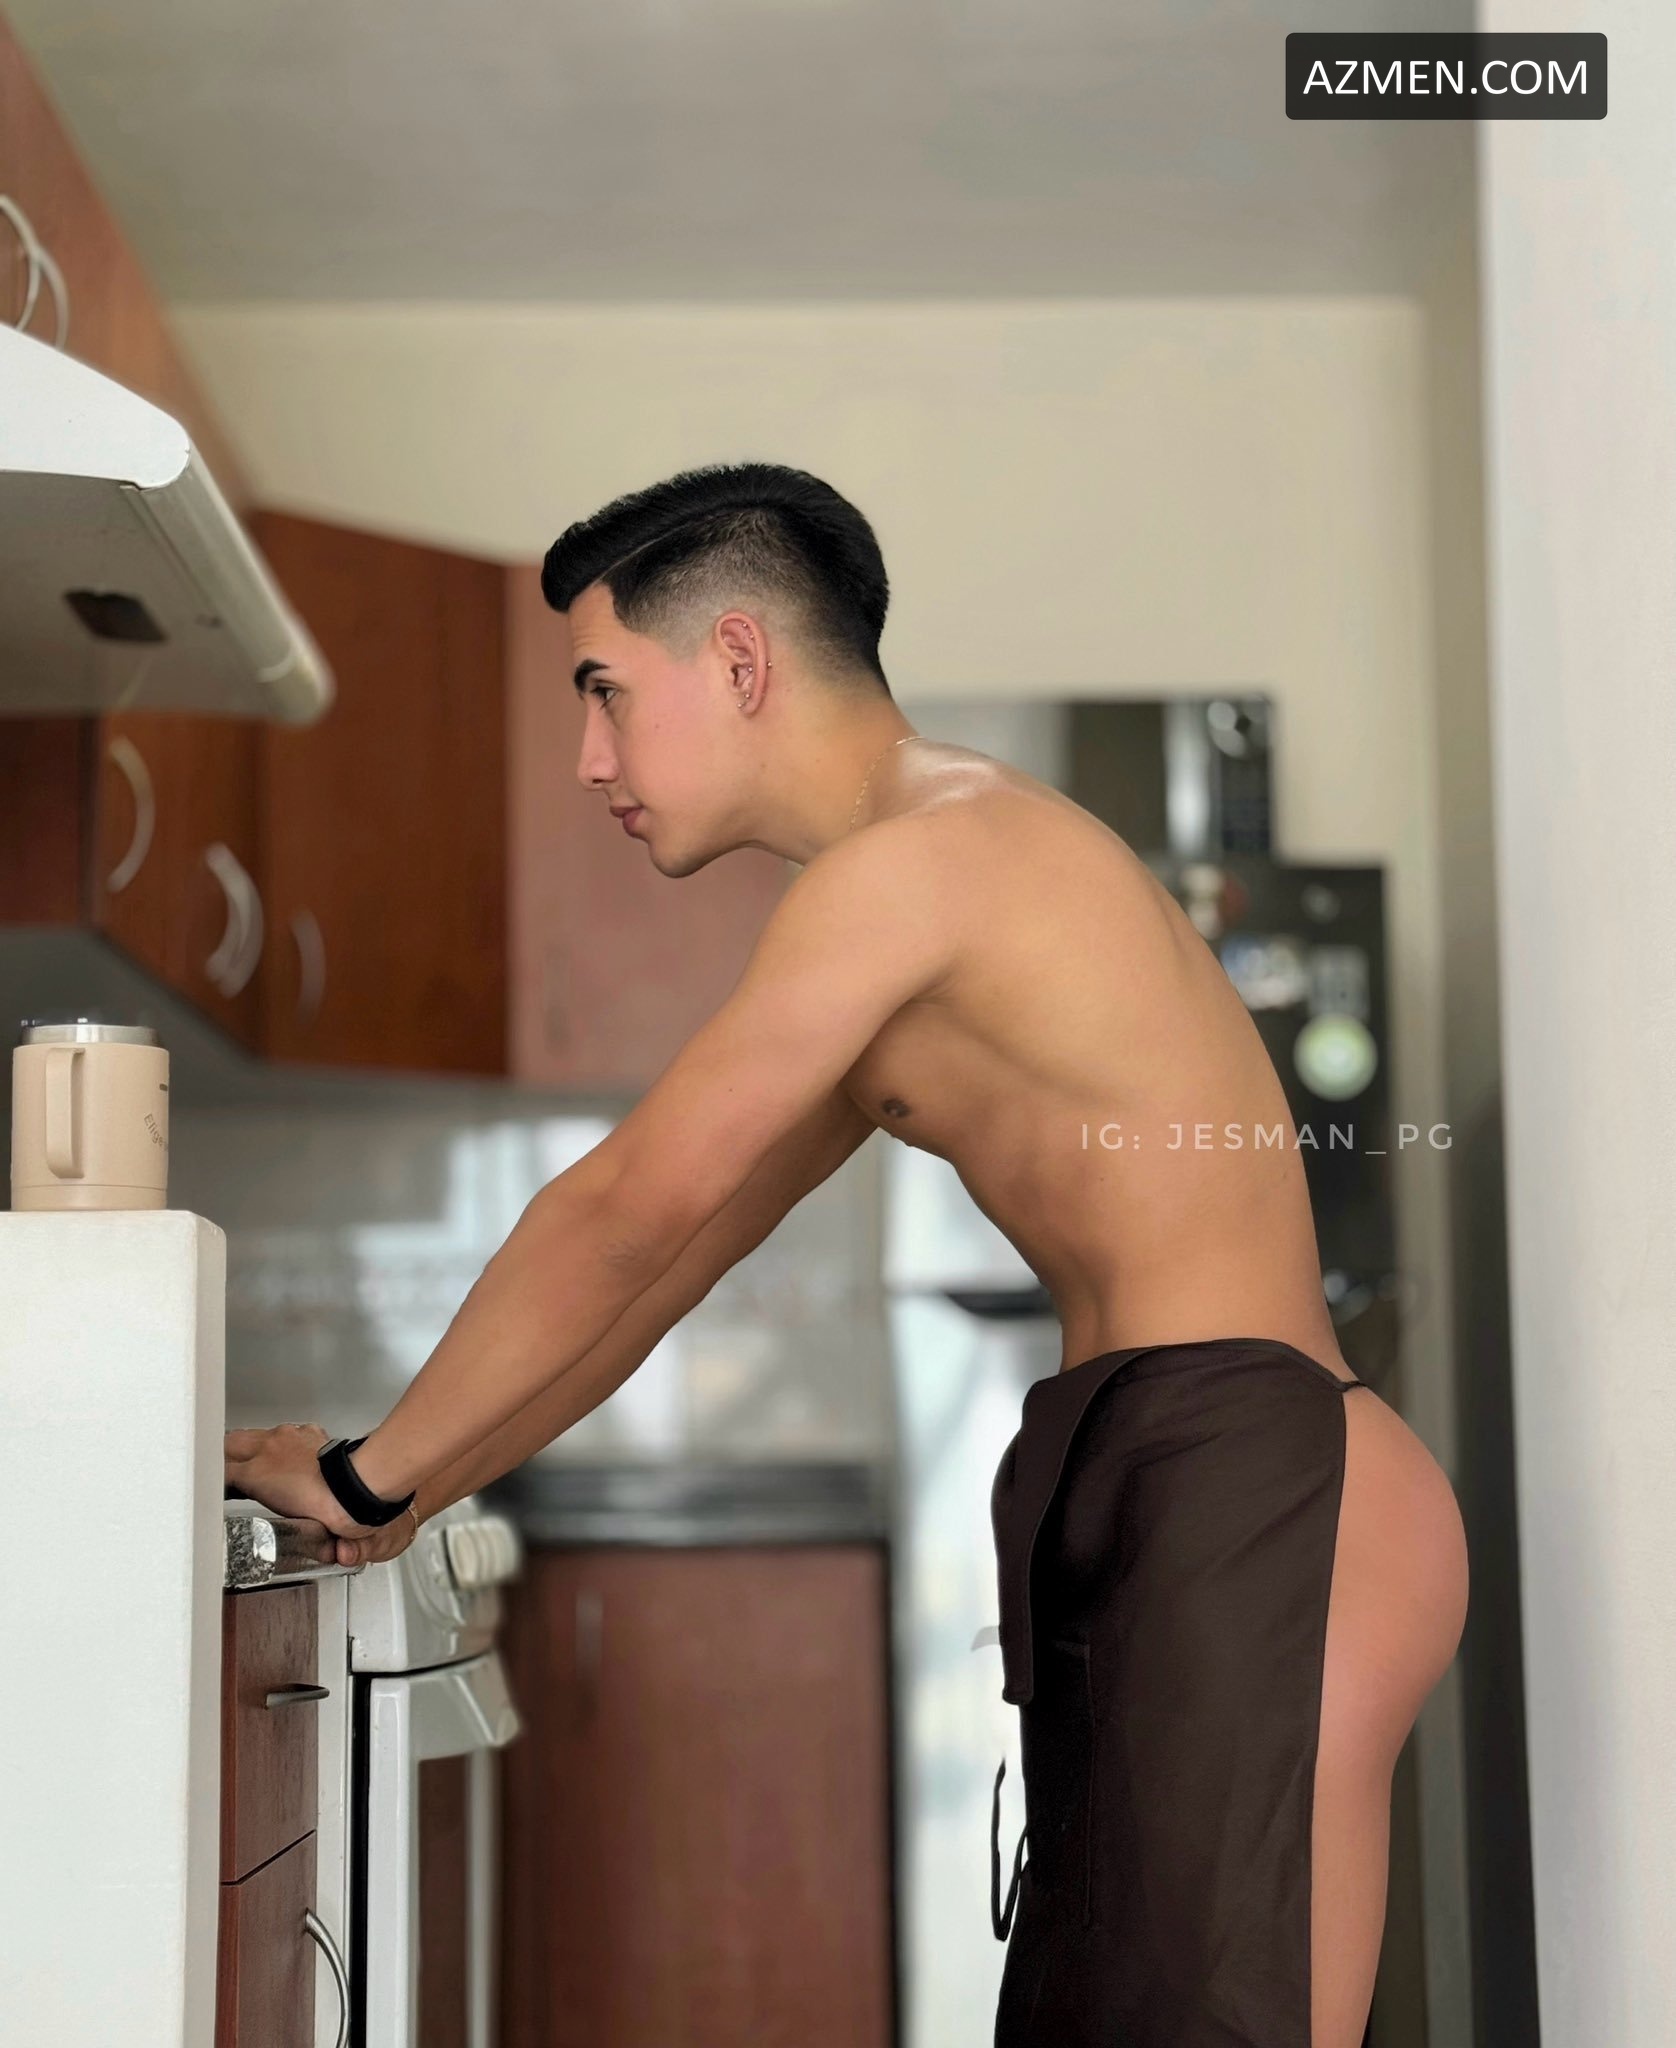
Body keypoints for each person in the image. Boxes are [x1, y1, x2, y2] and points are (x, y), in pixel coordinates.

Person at [226, 460, 1469, 2047]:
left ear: (739, 659)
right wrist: (407, 1487)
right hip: (1188, 1488)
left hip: (1260, 1494)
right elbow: (667, 1263)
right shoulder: (898, 894)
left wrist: (365, 1476)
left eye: (605, 692)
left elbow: (621, 1208)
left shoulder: (921, 861)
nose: (591, 756)